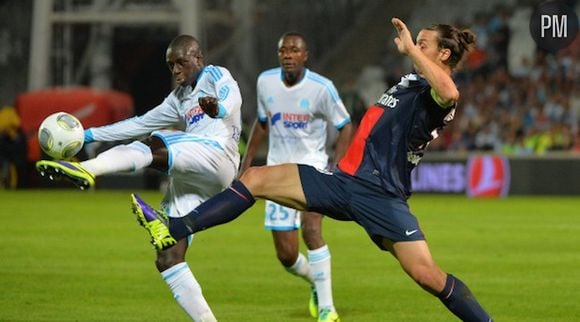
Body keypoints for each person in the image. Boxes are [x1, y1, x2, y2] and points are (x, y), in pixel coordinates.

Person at [132, 18, 493, 321]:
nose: (414, 44)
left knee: (428, 276)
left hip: (380, 196)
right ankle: (176, 227)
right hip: (343, 182)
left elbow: (450, 92)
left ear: (443, 54)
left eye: (423, 43)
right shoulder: (412, 84)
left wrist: (411, 52)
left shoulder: (435, 93)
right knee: (255, 178)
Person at [36, 35, 243, 322]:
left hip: (220, 156)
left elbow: (232, 98)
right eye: (170, 65)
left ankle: (88, 170)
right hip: (194, 175)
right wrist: (87, 135)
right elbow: (137, 123)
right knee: (168, 256)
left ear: (198, 59)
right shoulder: (178, 98)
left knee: (159, 141)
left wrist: (217, 108)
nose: (175, 70)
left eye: (181, 62)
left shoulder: (215, 75)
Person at [240, 31, 353, 321]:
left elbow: (345, 126)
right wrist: (248, 161)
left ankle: (328, 309)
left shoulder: (321, 88)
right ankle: (317, 283)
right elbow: (263, 123)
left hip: (312, 169)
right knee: (287, 256)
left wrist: (336, 167)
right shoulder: (265, 82)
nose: (288, 55)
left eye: (294, 50)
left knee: (312, 230)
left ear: (305, 56)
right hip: (277, 173)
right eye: (283, 51)